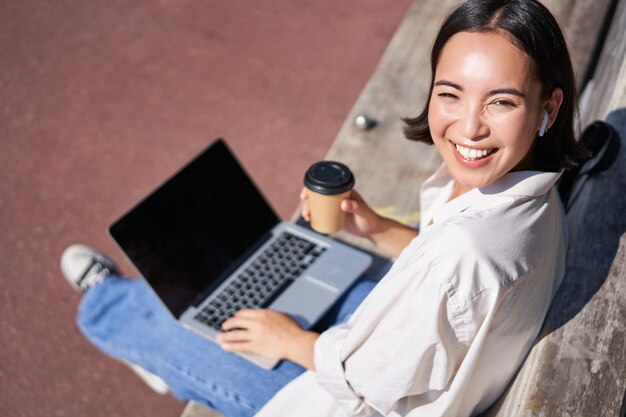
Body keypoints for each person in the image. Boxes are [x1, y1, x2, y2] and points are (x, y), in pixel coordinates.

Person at [60, 0, 590, 416]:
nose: (469, 126)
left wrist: (289, 340)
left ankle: (109, 302)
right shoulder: (535, 191)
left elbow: (367, 383)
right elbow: (449, 286)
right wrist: (376, 228)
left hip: (348, 400)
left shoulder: (462, 252)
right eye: (450, 94)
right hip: (417, 357)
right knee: (288, 282)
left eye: (501, 101)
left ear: (549, 107)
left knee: (165, 323)